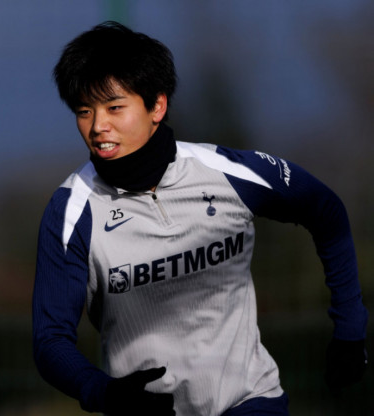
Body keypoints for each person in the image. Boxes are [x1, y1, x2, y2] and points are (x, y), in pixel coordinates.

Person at [32, 21, 368, 416]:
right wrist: (101, 391)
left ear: (157, 106)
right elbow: (50, 340)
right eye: (84, 111)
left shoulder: (226, 172)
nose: (97, 126)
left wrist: (350, 329)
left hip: (250, 402)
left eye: (114, 107)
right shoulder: (71, 211)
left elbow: (327, 210)